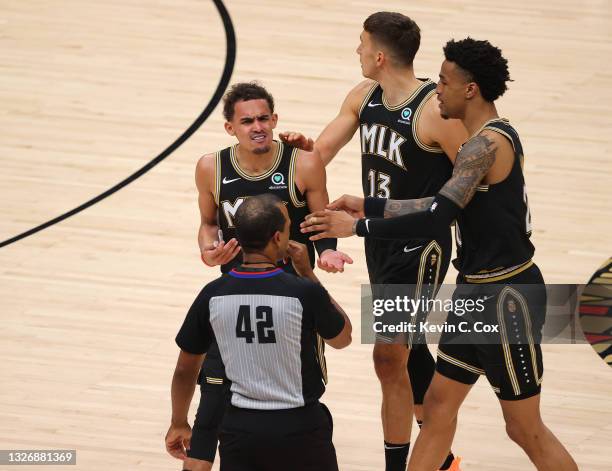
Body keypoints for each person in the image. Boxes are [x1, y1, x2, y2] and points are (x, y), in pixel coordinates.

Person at [301, 37, 578, 471]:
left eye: (444, 82)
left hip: (507, 297)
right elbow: (438, 201)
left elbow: (436, 216)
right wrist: (369, 203)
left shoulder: (486, 146)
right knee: (436, 411)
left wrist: (358, 226)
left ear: (470, 90)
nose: (436, 91)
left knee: (524, 429)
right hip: (474, 291)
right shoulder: (477, 145)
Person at [281, 12, 466, 471]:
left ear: (380, 55)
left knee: (388, 357)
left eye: (362, 44)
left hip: (420, 246)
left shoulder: (434, 112)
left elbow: (465, 194)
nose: (357, 51)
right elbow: (319, 153)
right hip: (379, 241)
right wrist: (300, 152)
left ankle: (402, 465)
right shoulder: (364, 96)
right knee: (411, 347)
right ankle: (439, 458)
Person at [188, 82, 353, 471]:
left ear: (275, 120)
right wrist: (208, 251)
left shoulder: (304, 163)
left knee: (299, 384)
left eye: (264, 118)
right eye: (247, 121)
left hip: (292, 294)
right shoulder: (210, 167)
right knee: (214, 389)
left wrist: (327, 249)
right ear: (230, 128)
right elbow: (207, 223)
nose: (257, 126)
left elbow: (321, 220)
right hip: (236, 290)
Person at [166, 194, 352, 471]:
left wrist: (179, 422)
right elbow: (342, 337)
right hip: (300, 427)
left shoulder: (212, 294)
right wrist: (307, 273)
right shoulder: (303, 291)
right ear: (278, 238)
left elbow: (184, 370)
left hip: (241, 429)